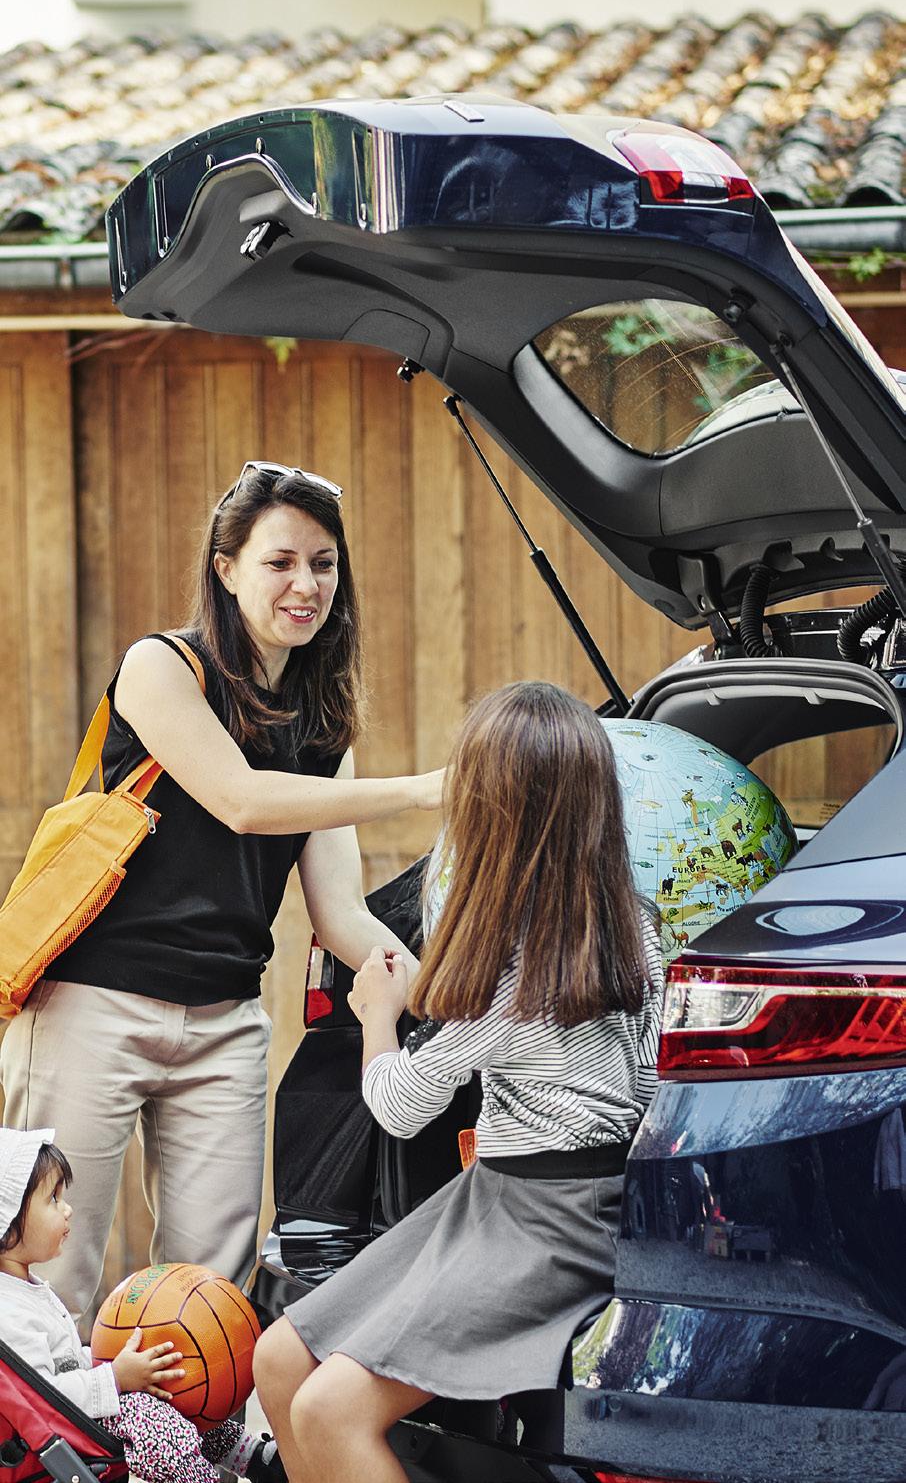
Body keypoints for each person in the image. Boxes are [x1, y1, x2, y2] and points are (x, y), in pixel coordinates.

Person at [1, 462, 442, 1320]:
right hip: (94, 1004)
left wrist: (444, 992)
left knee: (211, 1300)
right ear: (226, 566)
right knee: (47, 1275)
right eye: (280, 562)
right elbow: (242, 800)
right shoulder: (162, 668)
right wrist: (421, 789)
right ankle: (42, 1451)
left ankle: (187, 1456)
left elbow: (341, 914)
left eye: (324, 563)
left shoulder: (323, 725)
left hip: (224, 1025)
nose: (305, 584)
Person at [252, 680, 665, 1483]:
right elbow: (646, 1082)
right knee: (278, 1360)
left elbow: (402, 1109)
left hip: (547, 1223)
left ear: (494, 818)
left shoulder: (515, 963)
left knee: (324, 1407)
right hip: (518, 1199)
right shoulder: (634, 923)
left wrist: (377, 1013)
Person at [0, 1126, 284, 1483]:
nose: (68, 1209)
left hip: (90, 1407)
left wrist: (112, 1357)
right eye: (53, 1199)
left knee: (183, 1393)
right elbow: (39, 1399)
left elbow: (64, 1362)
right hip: (72, 1425)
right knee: (162, 1422)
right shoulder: (8, 1312)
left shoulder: (28, 1288)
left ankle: (253, 1456)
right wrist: (116, 1377)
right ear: (8, 1217)